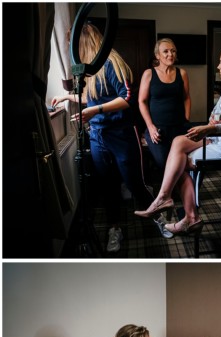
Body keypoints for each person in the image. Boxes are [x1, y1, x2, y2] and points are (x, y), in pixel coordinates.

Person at [134, 43, 221, 237]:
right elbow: (216, 113)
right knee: (179, 142)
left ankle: (186, 214)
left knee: (179, 164)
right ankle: (167, 199)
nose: (218, 67)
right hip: (219, 138)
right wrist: (213, 122)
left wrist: (210, 127)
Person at [51, 22, 155, 253]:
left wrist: (95, 111)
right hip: (98, 136)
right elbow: (95, 99)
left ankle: (159, 215)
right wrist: (67, 97)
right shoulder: (89, 69)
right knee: (107, 185)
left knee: (134, 182)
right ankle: (114, 228)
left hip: (122, 134)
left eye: (72, 45)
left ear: (83, 42)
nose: (71, 50)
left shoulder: (111, 63)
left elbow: (125, 98)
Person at [138, 38, 191, 172]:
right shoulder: (149, 73)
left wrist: (186, 120)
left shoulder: (182, 73)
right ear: (158, 55)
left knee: (180, 163)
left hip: (179, 128)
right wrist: (150, 127)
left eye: (173, 51)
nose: (170, 54)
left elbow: (186, 98)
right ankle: (168, 191)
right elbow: (142, 101)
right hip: (157, 130)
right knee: (164, 163)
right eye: (166, 51)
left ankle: (177, 191)